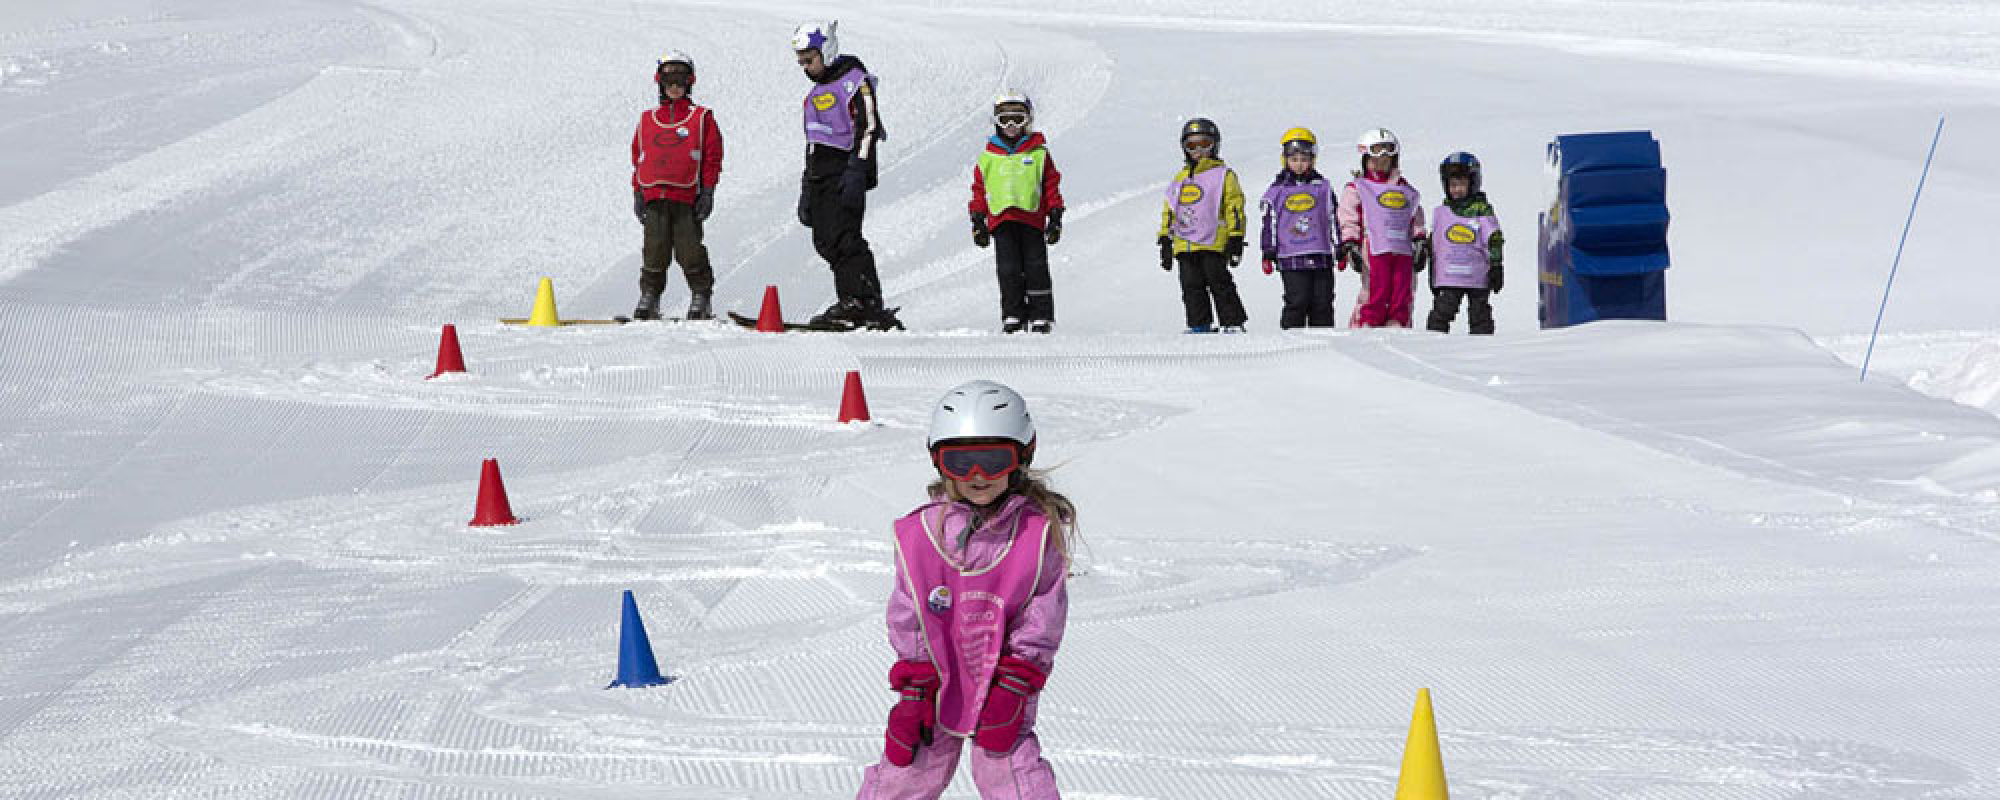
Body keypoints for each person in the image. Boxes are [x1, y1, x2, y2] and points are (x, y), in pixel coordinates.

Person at [857, 380, 1075, 799]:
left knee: (1007, 769)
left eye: (993, 460)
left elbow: (1043, 614)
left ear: (1022, 457)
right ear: (938, 462)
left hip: (1004, 681)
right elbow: (909, 613)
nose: (977, 476)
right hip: (936, 681)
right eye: (960, 462)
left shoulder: (1035, 533)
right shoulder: (919, 535)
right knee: (908, 771)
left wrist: (1016, 682)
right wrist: (915, 687)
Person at [792, 20, 900, 331]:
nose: (806, 68)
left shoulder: (854, 81)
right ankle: (850, 299)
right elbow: (813, 141)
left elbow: (868, 126)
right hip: (820, 172)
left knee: (845, 236)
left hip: (846, 168)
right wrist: (807, 185)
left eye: (810, 60)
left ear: (826, 51)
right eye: (801, 62)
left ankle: (866, 300)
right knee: (824, 239)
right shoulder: (815, 93)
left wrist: (857, 169)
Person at [629, 50, 723, 321]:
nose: (674, 87)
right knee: (654, 248)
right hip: (654, 194)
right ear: (659, 82)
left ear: (690, 82)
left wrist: (708, 191)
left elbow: (712, 157)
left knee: (689, 248)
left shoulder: (701, 118)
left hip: (686, 196)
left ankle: (701, 295)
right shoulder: (648, 119)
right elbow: (638, 157)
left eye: (680, 81)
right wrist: (638, 191)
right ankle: (650, 295)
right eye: (669, 81)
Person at [969, 90, 1066, 334]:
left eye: (1017, 118)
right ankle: (1013, 314)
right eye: (1004, 119)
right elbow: (980, 189)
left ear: (1028, 120)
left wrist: (1055, 215)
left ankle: (1041, 315)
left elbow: (1050, 184)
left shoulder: (1038, 153)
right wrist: (978, 220)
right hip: (1001, 220)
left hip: (1031, 219)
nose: (1011, 126)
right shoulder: (988, 157)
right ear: (996, 122)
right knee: (1008, 269)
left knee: (1036, 267)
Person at [1158, 118, 1248, 333]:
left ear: (1214, 145)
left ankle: (1232, 322)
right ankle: (1199, 325)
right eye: (1192, 146)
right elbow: (1170, 210)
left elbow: (1234, 205)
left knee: (1219, 281)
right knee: (1191, 285)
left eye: (1204, 144)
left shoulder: (1223, 175)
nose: (1198, 151)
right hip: (1185, 242)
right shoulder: (1180, 179)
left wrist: (1236, 236)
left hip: (1212, 241)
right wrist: (1165, 238)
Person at [1337, 127, 1429, 328]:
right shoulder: (1358, 188)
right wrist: (1350, 243)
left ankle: (1398, 323)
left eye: (1386, 160)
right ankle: (1367, 323)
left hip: (1402, 248)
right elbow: (1348, 217)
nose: (1380, 165)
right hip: (1374, 247)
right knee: (1376, 290)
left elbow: (1415, 215)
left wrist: (1420, 239)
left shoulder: (1404, 189)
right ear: (1365, 160)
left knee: (1402, 290)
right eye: (1375, 160)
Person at [1257, 127, 1340, 328]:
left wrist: (1340, 245)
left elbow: (1333, 216)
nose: (1300, 164)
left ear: (1312, 159)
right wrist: (1268, 251)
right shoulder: (1278, 190)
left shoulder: (1322, 187)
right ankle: (1291, 337)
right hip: (1291, 256)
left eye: (1304, 159)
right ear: (1285, 160)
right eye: (1294, 160)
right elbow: (1270, 221)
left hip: (1320, 254)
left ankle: (1324, 339)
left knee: (1322, 302)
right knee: (1297, 300)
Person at [1426, 151, 1504, 334]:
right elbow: (1436, 243)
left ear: (1473, 183)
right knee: (1442, 311)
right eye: (1452, 185)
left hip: (1476, 274)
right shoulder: (1442, 212)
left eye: (1461, 184)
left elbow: (1493, 238)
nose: (1457, 190)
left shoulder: (1481, 210)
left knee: (1480, 314)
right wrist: (1433, 271)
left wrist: (1496, 265)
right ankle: (1433, 341)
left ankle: (1482, 344)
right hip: (1450, 276)